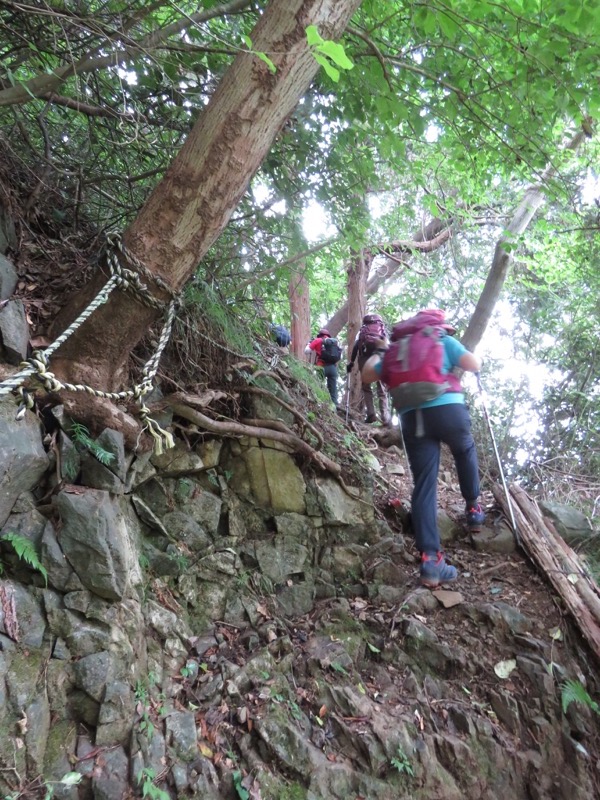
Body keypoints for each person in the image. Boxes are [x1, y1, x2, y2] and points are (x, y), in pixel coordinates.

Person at [366, 310, 486, 588]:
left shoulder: (396, 349)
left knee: (424, 483)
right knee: (464, 449)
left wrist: (379, 351)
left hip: (413, 418)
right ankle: (473, 510)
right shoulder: (441, 339)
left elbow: (367, 375)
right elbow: (473, 363)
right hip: (449, 409)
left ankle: (431, 560)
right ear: (438, 324)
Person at [346, 313, 391, 425]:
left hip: (364, 358)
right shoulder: (381, 329)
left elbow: (356, 346)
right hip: (379, 357)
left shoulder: (362, 330)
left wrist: (351, 362)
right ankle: (385, 416)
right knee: (382, 388)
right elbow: (387, 345)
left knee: (366, 387)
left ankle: (371, 414)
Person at [305, 328, 340, 406]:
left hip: (321, 367)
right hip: (333, 368)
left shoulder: (318, 340)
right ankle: (335, 406)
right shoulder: (335, 342)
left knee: (317, 385)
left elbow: (306, 351)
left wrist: (308, 344)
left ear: (319, 335)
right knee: (333, 389)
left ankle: (318, 403)